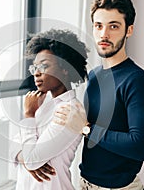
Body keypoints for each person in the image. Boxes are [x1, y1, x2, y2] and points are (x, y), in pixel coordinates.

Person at [54, 0, 144, 189]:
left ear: (129, 30)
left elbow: (140, 147)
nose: (104, 34)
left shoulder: (138, 82)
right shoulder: (93, 77)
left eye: (113, 26)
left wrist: (86, 128)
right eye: (98, 26)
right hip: (85, 183)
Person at [11, 28, 88, 189]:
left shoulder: (71, 111)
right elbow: (13, 147)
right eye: (34, 68)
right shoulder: (41, 103)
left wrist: (28, 115)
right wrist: (23, 157)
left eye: (44, 66)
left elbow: (32, 159)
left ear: (65, 68)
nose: (36, 74)